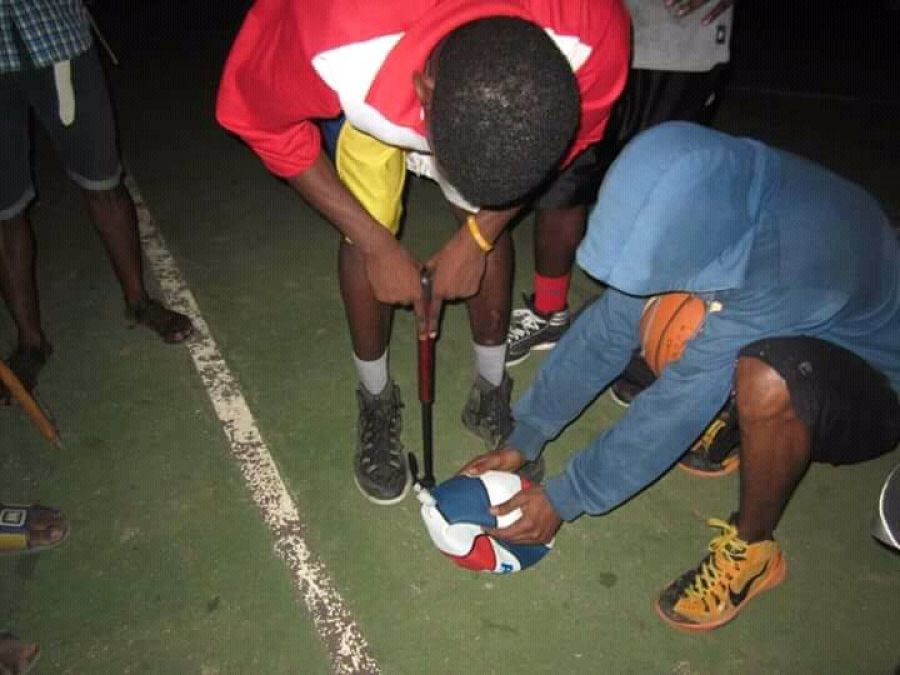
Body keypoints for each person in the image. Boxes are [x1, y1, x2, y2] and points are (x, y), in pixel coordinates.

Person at [461, 123, 900, 631]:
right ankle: (736, 425)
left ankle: (753, 549)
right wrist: (528, 434)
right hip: (798, 317)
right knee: (642, 325)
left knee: (763, 378)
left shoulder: (785, 264)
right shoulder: (703, 185)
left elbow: (674, 405)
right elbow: (609, 326)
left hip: (873, 389)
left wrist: (565, 496)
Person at [216, 0, 630, 504]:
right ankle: (375, 398)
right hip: (374, 91)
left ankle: (490, 390)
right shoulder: (333, 35)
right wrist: (374, 243)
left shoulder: (592, 33)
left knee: (486, 233)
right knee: (365, 228)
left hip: (460, 85)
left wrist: (478, 236)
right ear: (423, 93)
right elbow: (259, 121)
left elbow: (566, 143)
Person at [505, 0, 736, 367]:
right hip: (595, 31)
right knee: (563, 179)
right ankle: (549, 312)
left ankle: (648, 326)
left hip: (683, 47)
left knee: (664, 193)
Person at [0, 0, 193, 401]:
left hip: (57, 39)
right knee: (4, 211)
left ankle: (138, 301)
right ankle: (30, 343)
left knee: (102, 181)